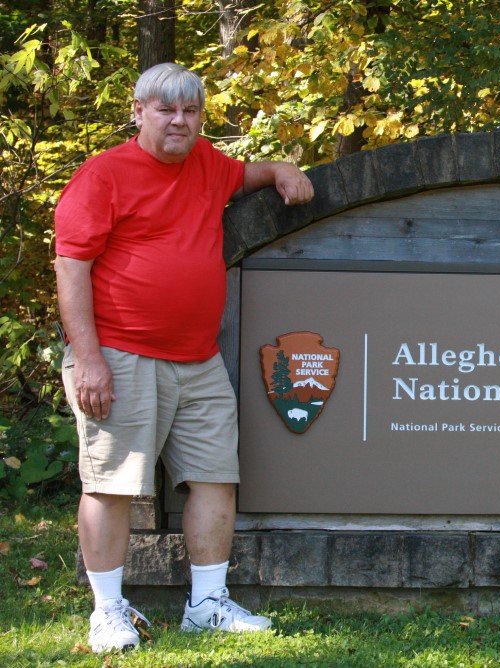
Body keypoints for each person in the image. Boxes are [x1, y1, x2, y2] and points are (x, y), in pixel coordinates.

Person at [54, 62, 314, 653]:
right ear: (139, 111)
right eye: (166, 109)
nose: (179, 120)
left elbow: (255, 172)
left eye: (190, 111)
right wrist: (89, 359)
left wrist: (284, 169)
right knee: (110, 486)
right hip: (119, 354)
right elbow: (71, 268)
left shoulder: (208, 165)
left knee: (217, 478)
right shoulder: (104, 176)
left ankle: (207, 605)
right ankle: (109, 611)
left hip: (196, 360)